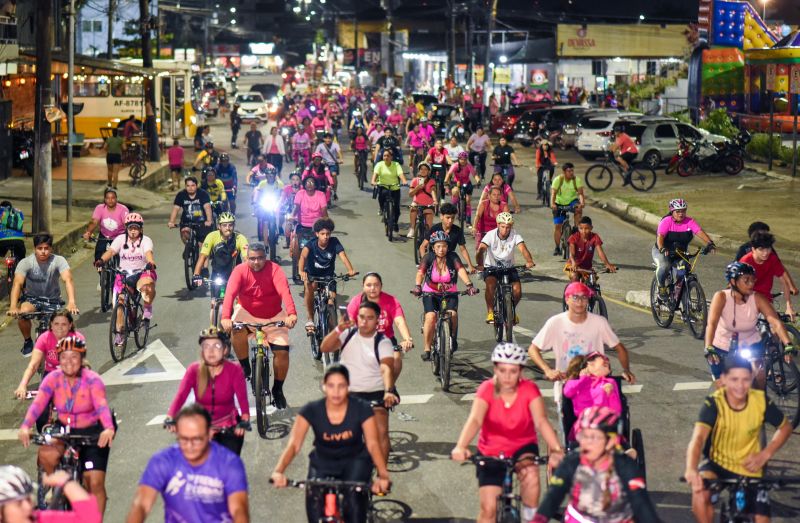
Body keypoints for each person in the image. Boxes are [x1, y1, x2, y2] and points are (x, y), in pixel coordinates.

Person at [451, 343, 564, 523]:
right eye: (502, 370)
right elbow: (475, 420)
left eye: (513, 371)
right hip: (491, 449)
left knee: (532, 479)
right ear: (495, 368)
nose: (507, 376)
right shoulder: (486, 389)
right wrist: (461, 446)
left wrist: (557, 449)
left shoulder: (529, 389)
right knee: (488, 509)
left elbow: (541, 421)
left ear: (521, 371)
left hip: (523, 446)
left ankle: (530, 517)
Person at [271, 364, 391, 523]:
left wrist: (383, 476)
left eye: (341, 386)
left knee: (355, 511)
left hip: (354, 463)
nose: (336, 392)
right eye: (331, 386)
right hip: (323, 463)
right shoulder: (311, 410)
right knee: (314, 511)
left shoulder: (361, 409)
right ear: (324, 387)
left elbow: (373, 444)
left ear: (348, 387)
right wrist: (278, 471)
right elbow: (294, 446)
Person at [684, 357, 792, 523]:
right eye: (734, 379)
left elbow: (785, 428)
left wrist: (765, 454)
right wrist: (691, 469)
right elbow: (698, 439)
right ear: (724, 379)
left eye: (746, 380)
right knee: (700, 493)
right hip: (717, 464)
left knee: (762, 519)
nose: (740, 386)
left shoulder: (761, 401)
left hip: (749, 466)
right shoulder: (713, 403)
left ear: (752, 378)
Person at [18, 337, 115, 514]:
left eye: (74, 357)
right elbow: (39, 404)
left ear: (82, 358)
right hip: (64, 428)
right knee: (46, 454)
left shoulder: (92, 380)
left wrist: (108, 428)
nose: (69, 362)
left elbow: (102, 405)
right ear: (59, 359)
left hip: (93, 430)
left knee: (94, 482)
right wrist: (26, 426)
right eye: (64, 357)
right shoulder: (52, 379)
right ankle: (54, 484)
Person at [533, 406, 659, 523]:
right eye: (584, 436)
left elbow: (641, 504)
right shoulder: (571, 462)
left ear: (611, 441)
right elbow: (552, 497)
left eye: (594, 437)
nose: (587, 443)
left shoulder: (625, 466)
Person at [126, 404, 249, 523]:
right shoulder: (162, 461)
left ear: (210, 434)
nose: (189, 446)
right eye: (184, 439)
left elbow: (239, 510)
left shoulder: (230, 464)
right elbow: (141, 504)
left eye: (196, 439)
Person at [220, 243, 298, 408]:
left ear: (266, 257)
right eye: (252, 258)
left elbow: (285, 292)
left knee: (282, 354)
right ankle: (245, 367)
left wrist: (291, 314)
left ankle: (277, 389)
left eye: (261, 258)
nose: (257, 262)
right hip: (247, 313)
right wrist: (226, 317)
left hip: (273, 315)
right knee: (236, 330)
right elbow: (230, 294)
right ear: (246, 258)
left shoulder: (275, 270)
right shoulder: (239, 271)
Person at [319, 302, 399, 462]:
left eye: (370, 318)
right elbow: (324, 348)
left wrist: (389, 391)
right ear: (356, 317)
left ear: (377, 321)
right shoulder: (347, 334)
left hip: (375, 392)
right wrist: (339, 328)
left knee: (381, 432)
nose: (364, 321)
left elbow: (386, 369)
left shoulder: (383, 342)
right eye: (362, 317)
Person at [528, 281, 635, 395]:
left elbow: (619, 348)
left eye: (584, 297)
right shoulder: (555, 322)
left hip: (595, 387)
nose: (579, 302)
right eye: (575, 297)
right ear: (567, 299)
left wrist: (626, 370)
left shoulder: (599, 322)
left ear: (588, 300)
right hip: (567, 387)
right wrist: (547, 370)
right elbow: (533, 349)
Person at [705, 262, 795, 383]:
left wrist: (787, 343)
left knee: (759, 377)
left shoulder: (758, 298)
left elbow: (776, 322)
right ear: (733, 281)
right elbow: (712, 324)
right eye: (746, 280)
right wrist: (709, 347)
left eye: (753, 280)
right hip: (721, 347)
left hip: (750, 344)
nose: (751, 284)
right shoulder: (721, 297)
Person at [166, 329, 250, 456]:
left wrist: (245, 418)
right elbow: (181, 395)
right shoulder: (194, 370)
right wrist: (171, 416)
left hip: (229, 426)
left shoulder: (235, 370)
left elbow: (242, 398)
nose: (211, 351)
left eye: (216, 346)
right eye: (206, 346)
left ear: (225, 350)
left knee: (230, 467)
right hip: (202, 427)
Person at [7, 233, 78, 356]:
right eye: (40, 248)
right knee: (22, 312)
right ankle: (28, 341)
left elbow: (68, 280)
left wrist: (71, 302)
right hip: (32, 299)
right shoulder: (26, 262)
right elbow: (17, 284)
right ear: (35, 249)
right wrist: (13, 306)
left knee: (61, 327)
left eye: (46, 248)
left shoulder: (58, 260)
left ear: (51, 248)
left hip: (53, 300)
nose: (43, 252)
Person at [13, 310, 85, 432]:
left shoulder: (77, 338)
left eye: (64, 324)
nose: (60, 328)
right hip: (50, 376)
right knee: (41, 414)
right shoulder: (44, 338)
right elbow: (33, 365)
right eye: (56, 324)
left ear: (70, 325)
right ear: (51, 325)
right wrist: (22, 385)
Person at [414, 231, 478, 360]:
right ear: (433, 247)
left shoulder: (453, 257)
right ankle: (427, 349)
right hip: (430, 292)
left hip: (450, 292)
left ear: (448, 247)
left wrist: (469, 285)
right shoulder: (428, 257)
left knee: (452, 314)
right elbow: (420, 272)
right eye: (438, 246)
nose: (441, 249)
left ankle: (452, 338)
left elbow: (460, 270)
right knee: (431, 317)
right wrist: (417, 286)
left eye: (444, 246)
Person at [96, 212, 157, 345]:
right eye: (130, 228)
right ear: (126, 228)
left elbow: (148, 253)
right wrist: (101, 260)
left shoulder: (146, 240)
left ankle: (147, 308)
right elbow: (111, 251)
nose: (133, 231)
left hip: (142, 272)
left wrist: (150, 263)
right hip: (123, 274)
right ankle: (120, 333)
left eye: (136, 228)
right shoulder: (120, 239)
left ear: (141, 229)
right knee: (120, 303)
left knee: (147, 284)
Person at [346, 272, 413, 380]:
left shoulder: (391, 301)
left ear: (381, 286)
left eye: (376, 285)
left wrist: (407, 339)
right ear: (363, 286)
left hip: (386, 340)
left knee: (396, 363)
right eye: (368, 285)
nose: (372, 288)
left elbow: (399, 321)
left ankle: (389, 387)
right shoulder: (356, 302)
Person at [475, 212, 535, 324]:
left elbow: (523, 249)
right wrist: (480, 263)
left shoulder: (515, 235)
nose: (505, 230)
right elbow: (481, 250)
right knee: (490, 286)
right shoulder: (490, 235)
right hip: (491, 268)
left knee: (517, 291)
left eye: (508, 227)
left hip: (509, 268)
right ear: (497, 225)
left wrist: (529, 261)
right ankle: (490, 312)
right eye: (503, 226)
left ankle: (511, 311)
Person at [298, 218, 356, 332]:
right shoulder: (311, 244)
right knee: (309, 288)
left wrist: (350, 270)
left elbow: (343, 256)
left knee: (331, 299)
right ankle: (310, 319)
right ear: (317, 234)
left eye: (328, 234)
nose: (325, 236)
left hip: (328, 276)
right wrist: (301, 271)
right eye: (322, 234)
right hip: (313, 275)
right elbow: (303, 257)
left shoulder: (334, 242)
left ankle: (331, 327)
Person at [653, 198, 716, 299]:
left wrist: (710, 243)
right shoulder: (666, 221)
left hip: (680, 252)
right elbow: (660, 236)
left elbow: (699, 231)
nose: (681, 214)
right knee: (665, 266)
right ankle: (661, 287)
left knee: (683, 273)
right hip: (663, 251)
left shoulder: (689, 221)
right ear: (672, 211)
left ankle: (683, 304)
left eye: (683, 211)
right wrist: (662, 248)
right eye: (678, 211)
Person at [0, 466, 102, 523]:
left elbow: (90, 519)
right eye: (18, 504)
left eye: (28, 499)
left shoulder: (40, 519)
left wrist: (67, 482)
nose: (28, 507)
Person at [562, 352, 622, 442]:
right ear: (589, 364)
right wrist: (583, 380)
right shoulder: (576, 381)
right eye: (602, 358)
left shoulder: (609, 382)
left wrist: (611, 395)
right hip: (584, 422)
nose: (607, 361)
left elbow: (617, 410)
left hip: (605, 423)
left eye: (608, 366)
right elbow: (567, 392)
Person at [740, 231, 797, 318]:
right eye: (761, 249)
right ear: (753, 249)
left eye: (768, 248)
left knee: (775, 324)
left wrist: (789, 306)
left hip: (765, 298)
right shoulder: (746, 261)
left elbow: (783, 281)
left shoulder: (772, 259)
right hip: (747, 297)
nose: (765, 253)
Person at [192, 211, 248, 294]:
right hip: (217, 275)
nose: (228, 228)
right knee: (214, 302)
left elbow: (246, 258)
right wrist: (196, 274)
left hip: (235, 275)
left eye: (230, 225)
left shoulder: (240, 238)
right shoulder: (212, 236)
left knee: (239, 303)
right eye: (224, 225)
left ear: (234, 225)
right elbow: (203, 256)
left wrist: (249, 274)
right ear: (219, 226)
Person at [418, 202, 476, 272]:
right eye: (448, 217)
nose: (450, 221)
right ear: (441, 216)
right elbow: (422, 246)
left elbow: (463, 249)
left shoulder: (457, 230)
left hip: (449, 257)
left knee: (457, 264)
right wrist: (425, 262)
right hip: (435, 256)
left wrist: (470, 265)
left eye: (453, 218)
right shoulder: (434, 229)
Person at [82, 187, 129, 267]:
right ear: (104, 199)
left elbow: (126, 224)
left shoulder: (123, 209)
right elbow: (94, 222)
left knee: (124, 256)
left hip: (119, 236)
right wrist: (88, 232)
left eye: (113, 198)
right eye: (108, 198)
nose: (110, 200)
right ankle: (102, 274)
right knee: (98, 255)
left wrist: (130, 235)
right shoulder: (99, 208)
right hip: (104, 235)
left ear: (116, 199)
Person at [168, 176, 213, 252]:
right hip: (186, 222)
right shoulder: (181, 195)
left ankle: (203, 264)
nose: (190, 188)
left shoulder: (203, 194)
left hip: (201, 223)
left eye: (192, 185)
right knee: (184, 232)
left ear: (196, 185)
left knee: (203, 248)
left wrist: (209, 220)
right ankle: (188, 248)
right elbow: (176, 209)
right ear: (185, 186)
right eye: (188, 186)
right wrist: (171, 221)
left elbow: (207, 208)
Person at [550, 163, 585, 256]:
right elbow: (553, 194)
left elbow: (580, 193)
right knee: (558, 226)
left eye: (572, 170)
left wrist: (582, 203)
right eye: (569, 171)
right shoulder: (558, 180)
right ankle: (557, 247)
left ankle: (576, 227)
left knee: (578, 209)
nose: (571, 173)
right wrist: (553, 203)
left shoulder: (576, 180)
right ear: (564, 172)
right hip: (559, 203)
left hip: (572, 201)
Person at [566, 216, 616, 281]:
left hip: (587, 268)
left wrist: (607, 264)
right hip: (573, 266)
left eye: (586, 228)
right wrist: (573, 262)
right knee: (574, 277)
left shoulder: (595, 237)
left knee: (593, 280)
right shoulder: (573, 237)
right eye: (581, 228)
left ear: (591, 228)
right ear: (578, 228)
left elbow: (600, 252)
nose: (583, 231)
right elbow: (572, 253)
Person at [371, 149, 407, 234]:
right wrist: (373, 181)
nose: (386, 157)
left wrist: (404, 181)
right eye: (384, 156)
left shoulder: (396, 164)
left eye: (388, 156)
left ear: (391, 157)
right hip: (383, 186)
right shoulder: (379, 165)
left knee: (397, 209)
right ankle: (383, 209)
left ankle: (395, 223)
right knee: (382, 196)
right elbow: (375, 175)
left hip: (395, 187)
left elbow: (400, 174)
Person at [406, 162, 438, 238]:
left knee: (428, 226)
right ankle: (412, 228)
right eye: (421, 169)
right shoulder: (414, 180)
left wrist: (435, 200)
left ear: (428, 171)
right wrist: (417, 188)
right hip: (417, 203)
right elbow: (410, 194)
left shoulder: (432, 181)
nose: (423, 171)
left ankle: (428, 238)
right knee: (413, 208)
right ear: (419, 170)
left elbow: (433, 191)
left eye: (425, 169)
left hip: (428, 204)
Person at [315, 132, 343, 200]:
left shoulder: (335, 145)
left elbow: (339, 152)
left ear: (332, 139)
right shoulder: (320, 146)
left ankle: (334, 191)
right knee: (318, 176)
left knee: (334, 175)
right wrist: (317, 160)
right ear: (324, 139)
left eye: (329, 138)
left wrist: (341, 159)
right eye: (326, 138)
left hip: (333, 164)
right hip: (323, 164)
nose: (328, 140)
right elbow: (316, 154)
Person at [0, 200, 25, 264]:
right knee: (21, 260)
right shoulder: (18, 212)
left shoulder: (1, 211)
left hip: (2, 240)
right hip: (18, 240)